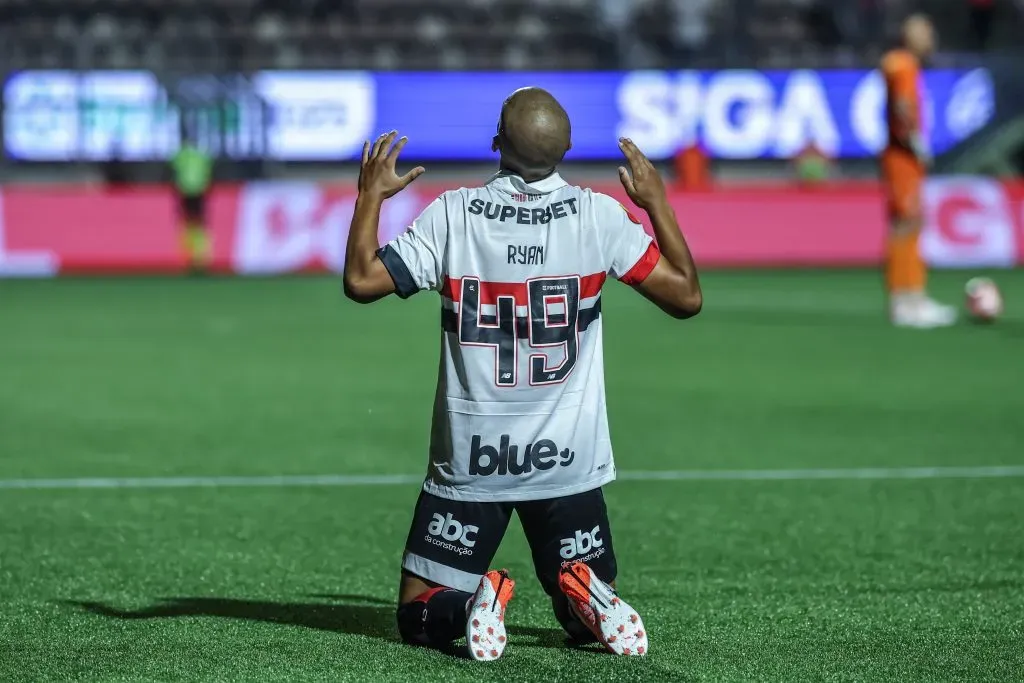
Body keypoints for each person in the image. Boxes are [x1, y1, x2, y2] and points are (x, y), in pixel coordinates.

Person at [343, 88, 702, 660]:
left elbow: (361, 282)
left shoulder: (454, 214)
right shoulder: (597, 215)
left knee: (421, 618)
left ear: (495, 144)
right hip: (568, 461)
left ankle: (476, 599)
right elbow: (686, 297)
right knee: (582, 621)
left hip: (474, 460)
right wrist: (656, 201)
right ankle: (588, 598)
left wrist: (370, 197)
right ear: (564, 152)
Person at [880, 15, 956, 328]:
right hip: (903, 155)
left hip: (901, 153)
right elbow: (902, 106)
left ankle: (913, 295)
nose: (931, 37)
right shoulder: (903, 64)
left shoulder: (899, 63)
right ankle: (906, 299)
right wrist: (915, 141)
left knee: (911, 222)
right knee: (906, 224)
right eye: (926, 32)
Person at [171, 133, 214, 272]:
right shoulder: (203, 155)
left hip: (185, 192)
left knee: (188, 225)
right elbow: (208, 172)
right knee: (200, 225)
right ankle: (200, 259)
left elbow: (172, 169)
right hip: (199, 192)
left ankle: (190, 258)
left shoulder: (181, 154)